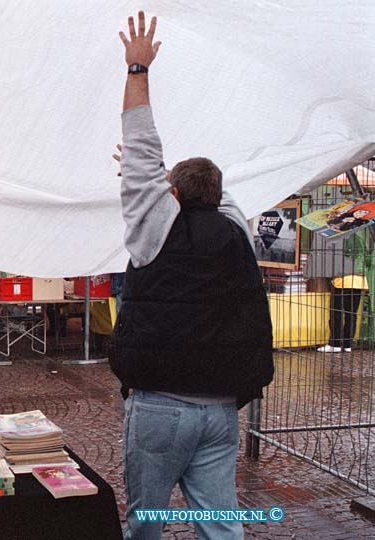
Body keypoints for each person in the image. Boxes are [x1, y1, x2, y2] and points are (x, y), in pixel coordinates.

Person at [108, 12, 273, 540]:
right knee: (221, 526)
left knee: (146, 524)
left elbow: (141, 146)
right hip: (222, 409)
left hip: (161, 405)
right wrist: (155, 181)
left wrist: (138, 66)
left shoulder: (159, 232)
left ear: (171, 198)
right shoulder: (237, 235)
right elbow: (206, 190)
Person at [316, 230, 370, 353]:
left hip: (343, 280)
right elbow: (366, 260)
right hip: (359, 281)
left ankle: (334, 344)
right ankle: (347, 344)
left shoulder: (339, 239)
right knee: (351, 314)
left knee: (337, 313)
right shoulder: (360, 239)